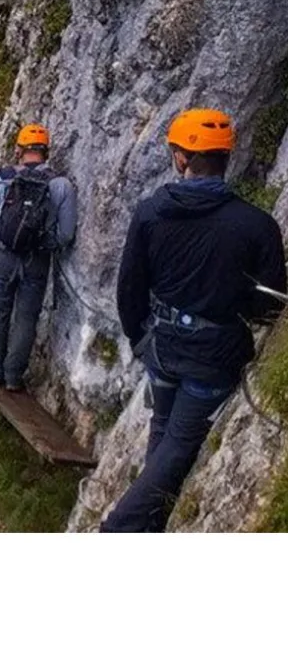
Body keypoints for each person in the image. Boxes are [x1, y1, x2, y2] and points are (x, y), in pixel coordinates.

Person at [101, 108, 286, 532]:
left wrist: (139, 339)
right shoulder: (257, 226)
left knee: (164, 431)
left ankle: (133, 526)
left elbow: (130, 286)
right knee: (178, 444)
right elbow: (270, 307)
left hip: (162, 345)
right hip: (214, 353)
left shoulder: (151, 212)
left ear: (182, 158)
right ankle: (128, 527)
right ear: (225, 157)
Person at [0, 123, 77, 392]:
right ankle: (13, 377)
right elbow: (66, 233)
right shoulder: (61, 185)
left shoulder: (2, 177)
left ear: (19, 150)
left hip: (3, 254)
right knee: (26, 317)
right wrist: (43, 242)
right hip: (36, 260)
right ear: (46, 151)